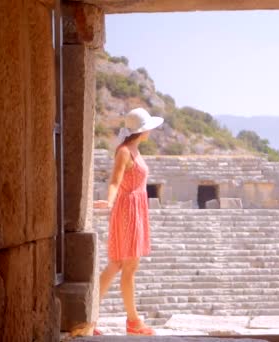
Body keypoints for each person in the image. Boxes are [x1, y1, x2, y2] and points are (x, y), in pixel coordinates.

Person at [95, 107, 163, 336]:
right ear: (142, 130)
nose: (151, 131)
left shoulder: (134, 149)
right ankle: (133, 322)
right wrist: (108, 201)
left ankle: (89, 316)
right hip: (128, 209)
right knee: (127, 266)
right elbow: (115, 181)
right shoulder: (125, 151)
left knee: (118, 264)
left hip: (135, 208)